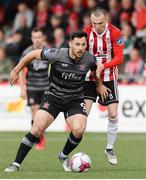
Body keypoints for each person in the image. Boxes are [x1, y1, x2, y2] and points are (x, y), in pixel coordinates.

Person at [4, 30, 108, 172]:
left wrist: (99, 85)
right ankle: (16, 164)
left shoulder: (89, 59)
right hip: (53, 97)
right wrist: (16, 70)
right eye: (77, 44)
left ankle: (63, 155)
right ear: (70, 44)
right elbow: (31, 54)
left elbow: (96, 71)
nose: (80, 48)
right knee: (37, 128)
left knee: (79, 129)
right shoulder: (57, 54)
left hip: (75, 99)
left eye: (83, 44)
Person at [83, 7, 124, 165]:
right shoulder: (86, 32)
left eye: (100, 23)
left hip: (109, 77)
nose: (96, 26)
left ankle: (109, 148)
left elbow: (119, 58)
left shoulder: (115, 33)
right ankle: (67, 151)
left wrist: (103, 66)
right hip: (89, 78)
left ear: (106, 20)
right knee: (82, 116)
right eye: (94, 23)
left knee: (113, 115)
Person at [19, 27, 49, 150]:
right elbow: (20, 70)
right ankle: (39, 139)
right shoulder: (27, 52)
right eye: (34, 37)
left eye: (39, 37)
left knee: (44, 115)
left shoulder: (48, 51)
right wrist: (22, 88)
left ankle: (39, 133)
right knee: (34, 112)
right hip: (32, 87)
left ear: (43, 38)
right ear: (32, 38)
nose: (37, 40)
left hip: (46, 87)